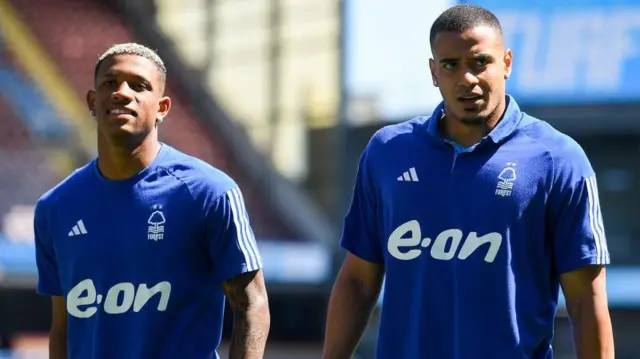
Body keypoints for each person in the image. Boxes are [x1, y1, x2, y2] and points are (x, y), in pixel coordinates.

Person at [322, 5, 614, 359]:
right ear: (433, 71)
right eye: (450, 65)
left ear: (506, 63)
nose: (467, 79)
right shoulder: (387, 152)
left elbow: (586, 300)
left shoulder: (558, 159)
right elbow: (358, 280)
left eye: (480, 63)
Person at [33, 42, 270, 359]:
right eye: (110, 83)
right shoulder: (55, 208)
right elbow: (62, 326)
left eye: (139, 85)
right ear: (92, 101)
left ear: (162, 107)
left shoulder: (208, 192)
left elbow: (252, 305)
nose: (122, 92)